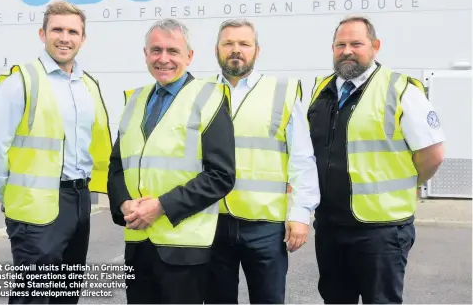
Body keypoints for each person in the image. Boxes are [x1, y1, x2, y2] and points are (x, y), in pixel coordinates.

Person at [0, 0, 113, 304]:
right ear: (42, 34)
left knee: (66, 296)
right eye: (57, 30)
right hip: (35, 209)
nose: (65, 37)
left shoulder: (89, 85)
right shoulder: (20, 82)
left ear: (83, 38)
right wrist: (11, 196)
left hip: (79, 202)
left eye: (73, 31)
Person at [307, 16, 445, 304]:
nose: (347, 50)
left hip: (381, 230)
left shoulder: (401, 90)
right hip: (331, 226)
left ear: (375, 46)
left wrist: (408, 182)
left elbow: (433, 154)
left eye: (356, 43)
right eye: (340, 44)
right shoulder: (320, 89)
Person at [107, 18, 236, 304]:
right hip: (139, 243)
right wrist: (123, 203)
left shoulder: (209, 98)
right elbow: (117, 166)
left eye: (173, 51)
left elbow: (221, 175)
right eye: (156, 50)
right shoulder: (134, 100)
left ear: (189, 56)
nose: (163, 59)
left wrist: (161, 207)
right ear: (145, 54)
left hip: (184, 248)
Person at [204, 19, 321, 304]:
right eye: (228, 43)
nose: (236, 50)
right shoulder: (199, 92)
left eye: (244, 44)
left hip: (265, 225)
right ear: (216, 49)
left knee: (268, 299)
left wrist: (300, 214)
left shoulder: (281, 92)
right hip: (211, 221)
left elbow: (302, 157)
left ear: (257, 50)